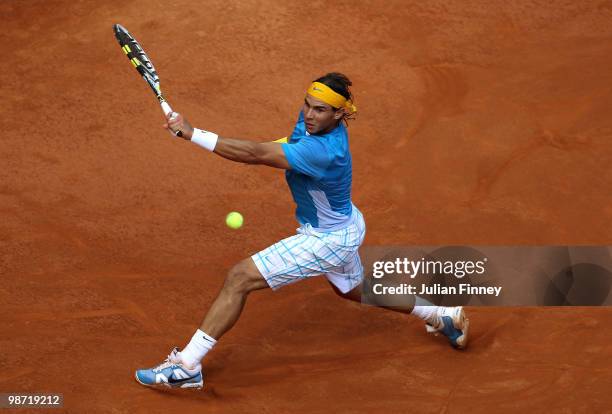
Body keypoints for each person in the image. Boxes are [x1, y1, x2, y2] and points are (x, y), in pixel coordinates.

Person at [134, 73, 469, 390]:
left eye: (320, 109)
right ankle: (442, 314)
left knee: (239, 278)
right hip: (347, 224)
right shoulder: (312, 126)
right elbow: (274, 146)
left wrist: (193, 134)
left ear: (339, 114)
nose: (309, 114)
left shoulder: (325, 152)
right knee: (351, 288)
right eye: (307, 104)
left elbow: (256, 153)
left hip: (326, 240)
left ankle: (188, 367)